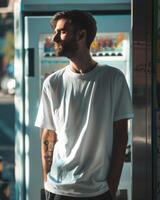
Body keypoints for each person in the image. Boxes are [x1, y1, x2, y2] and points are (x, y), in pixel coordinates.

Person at [35, 10, 134, 200]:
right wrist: (47, 183)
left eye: (62, 32)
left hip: (99, 191)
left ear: (81, 35)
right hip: (58, 189)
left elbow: (121, 135)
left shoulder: (113, 78)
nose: (54, 37)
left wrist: (111, 186)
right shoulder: (53, 83)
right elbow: (48, 135)